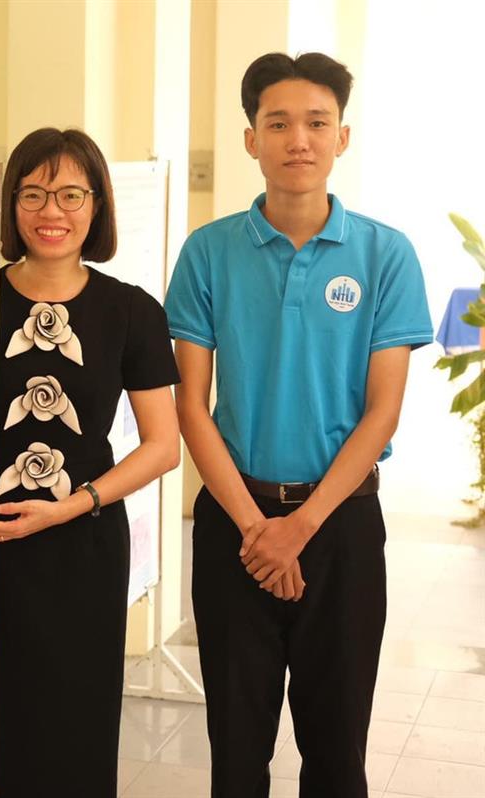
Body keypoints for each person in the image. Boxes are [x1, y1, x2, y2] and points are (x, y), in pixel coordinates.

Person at [165, 52, 434, 798]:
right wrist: (259, 530)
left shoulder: (385, 254)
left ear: (342, 136)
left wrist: (299, 528)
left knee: (337, 752)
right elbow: (191, 406)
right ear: (251, 139)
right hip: (235, 525)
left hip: (341, 528)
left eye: (317, 123)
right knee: (235, 752)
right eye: (278, 123)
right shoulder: (208, 252)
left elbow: (383, 411)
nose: (299, 140)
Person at [0, 128, 181, 795]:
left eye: (69, 195)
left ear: (97, 205)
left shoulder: (131, 311)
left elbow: (163, 446)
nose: (50, 211)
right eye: (32, 194)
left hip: (82, 543)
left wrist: (72, 505)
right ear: (11, 206)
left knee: (75, 729)